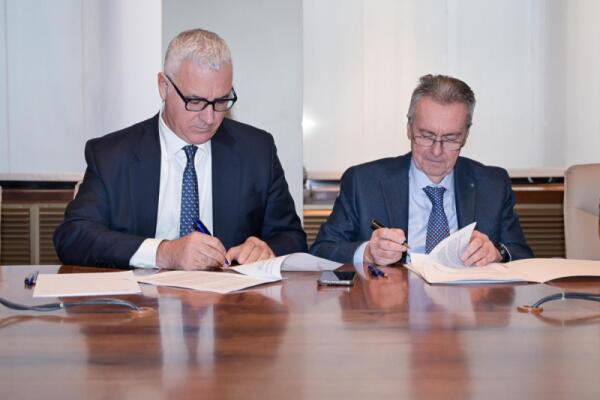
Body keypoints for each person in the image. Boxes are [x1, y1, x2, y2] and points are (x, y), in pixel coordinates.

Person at [54, 28, 307, 269]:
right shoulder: (112, 155)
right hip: (140, 298)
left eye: (221, 101)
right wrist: (163, 253)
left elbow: (292, 238)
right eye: (195, 101)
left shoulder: (257, 151)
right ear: (164, 86)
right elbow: (74, 237)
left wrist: (265, 250)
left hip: (229, 298)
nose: (209, 118)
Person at [311, 74, 533, 266]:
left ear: (466, 135)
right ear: (409, 128)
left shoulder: (493, 184)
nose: (436, 151)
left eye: (450, 138)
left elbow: (523, 256)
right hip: (392, 300)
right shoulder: (363, 182)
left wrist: (497, 253)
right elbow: (321, 251)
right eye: (426, 136)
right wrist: (368, 252)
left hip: (467, 301)